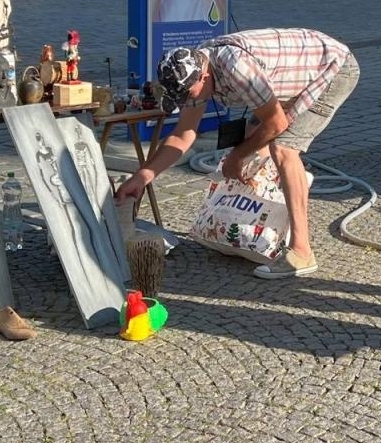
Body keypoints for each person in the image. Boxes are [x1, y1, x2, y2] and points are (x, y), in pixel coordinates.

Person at [114, 30, 359, 278]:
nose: (189, 100)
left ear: (205, 75)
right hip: (291, 75)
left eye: (190, 94)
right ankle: (255, 224)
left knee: (283, 148)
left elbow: (276, 124)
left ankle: (301, 252)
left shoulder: (237, 68)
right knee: (254, 133)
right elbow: (183, 135)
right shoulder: (194, 74)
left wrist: (236, 157)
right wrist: (142, 176)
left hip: (332, 69)